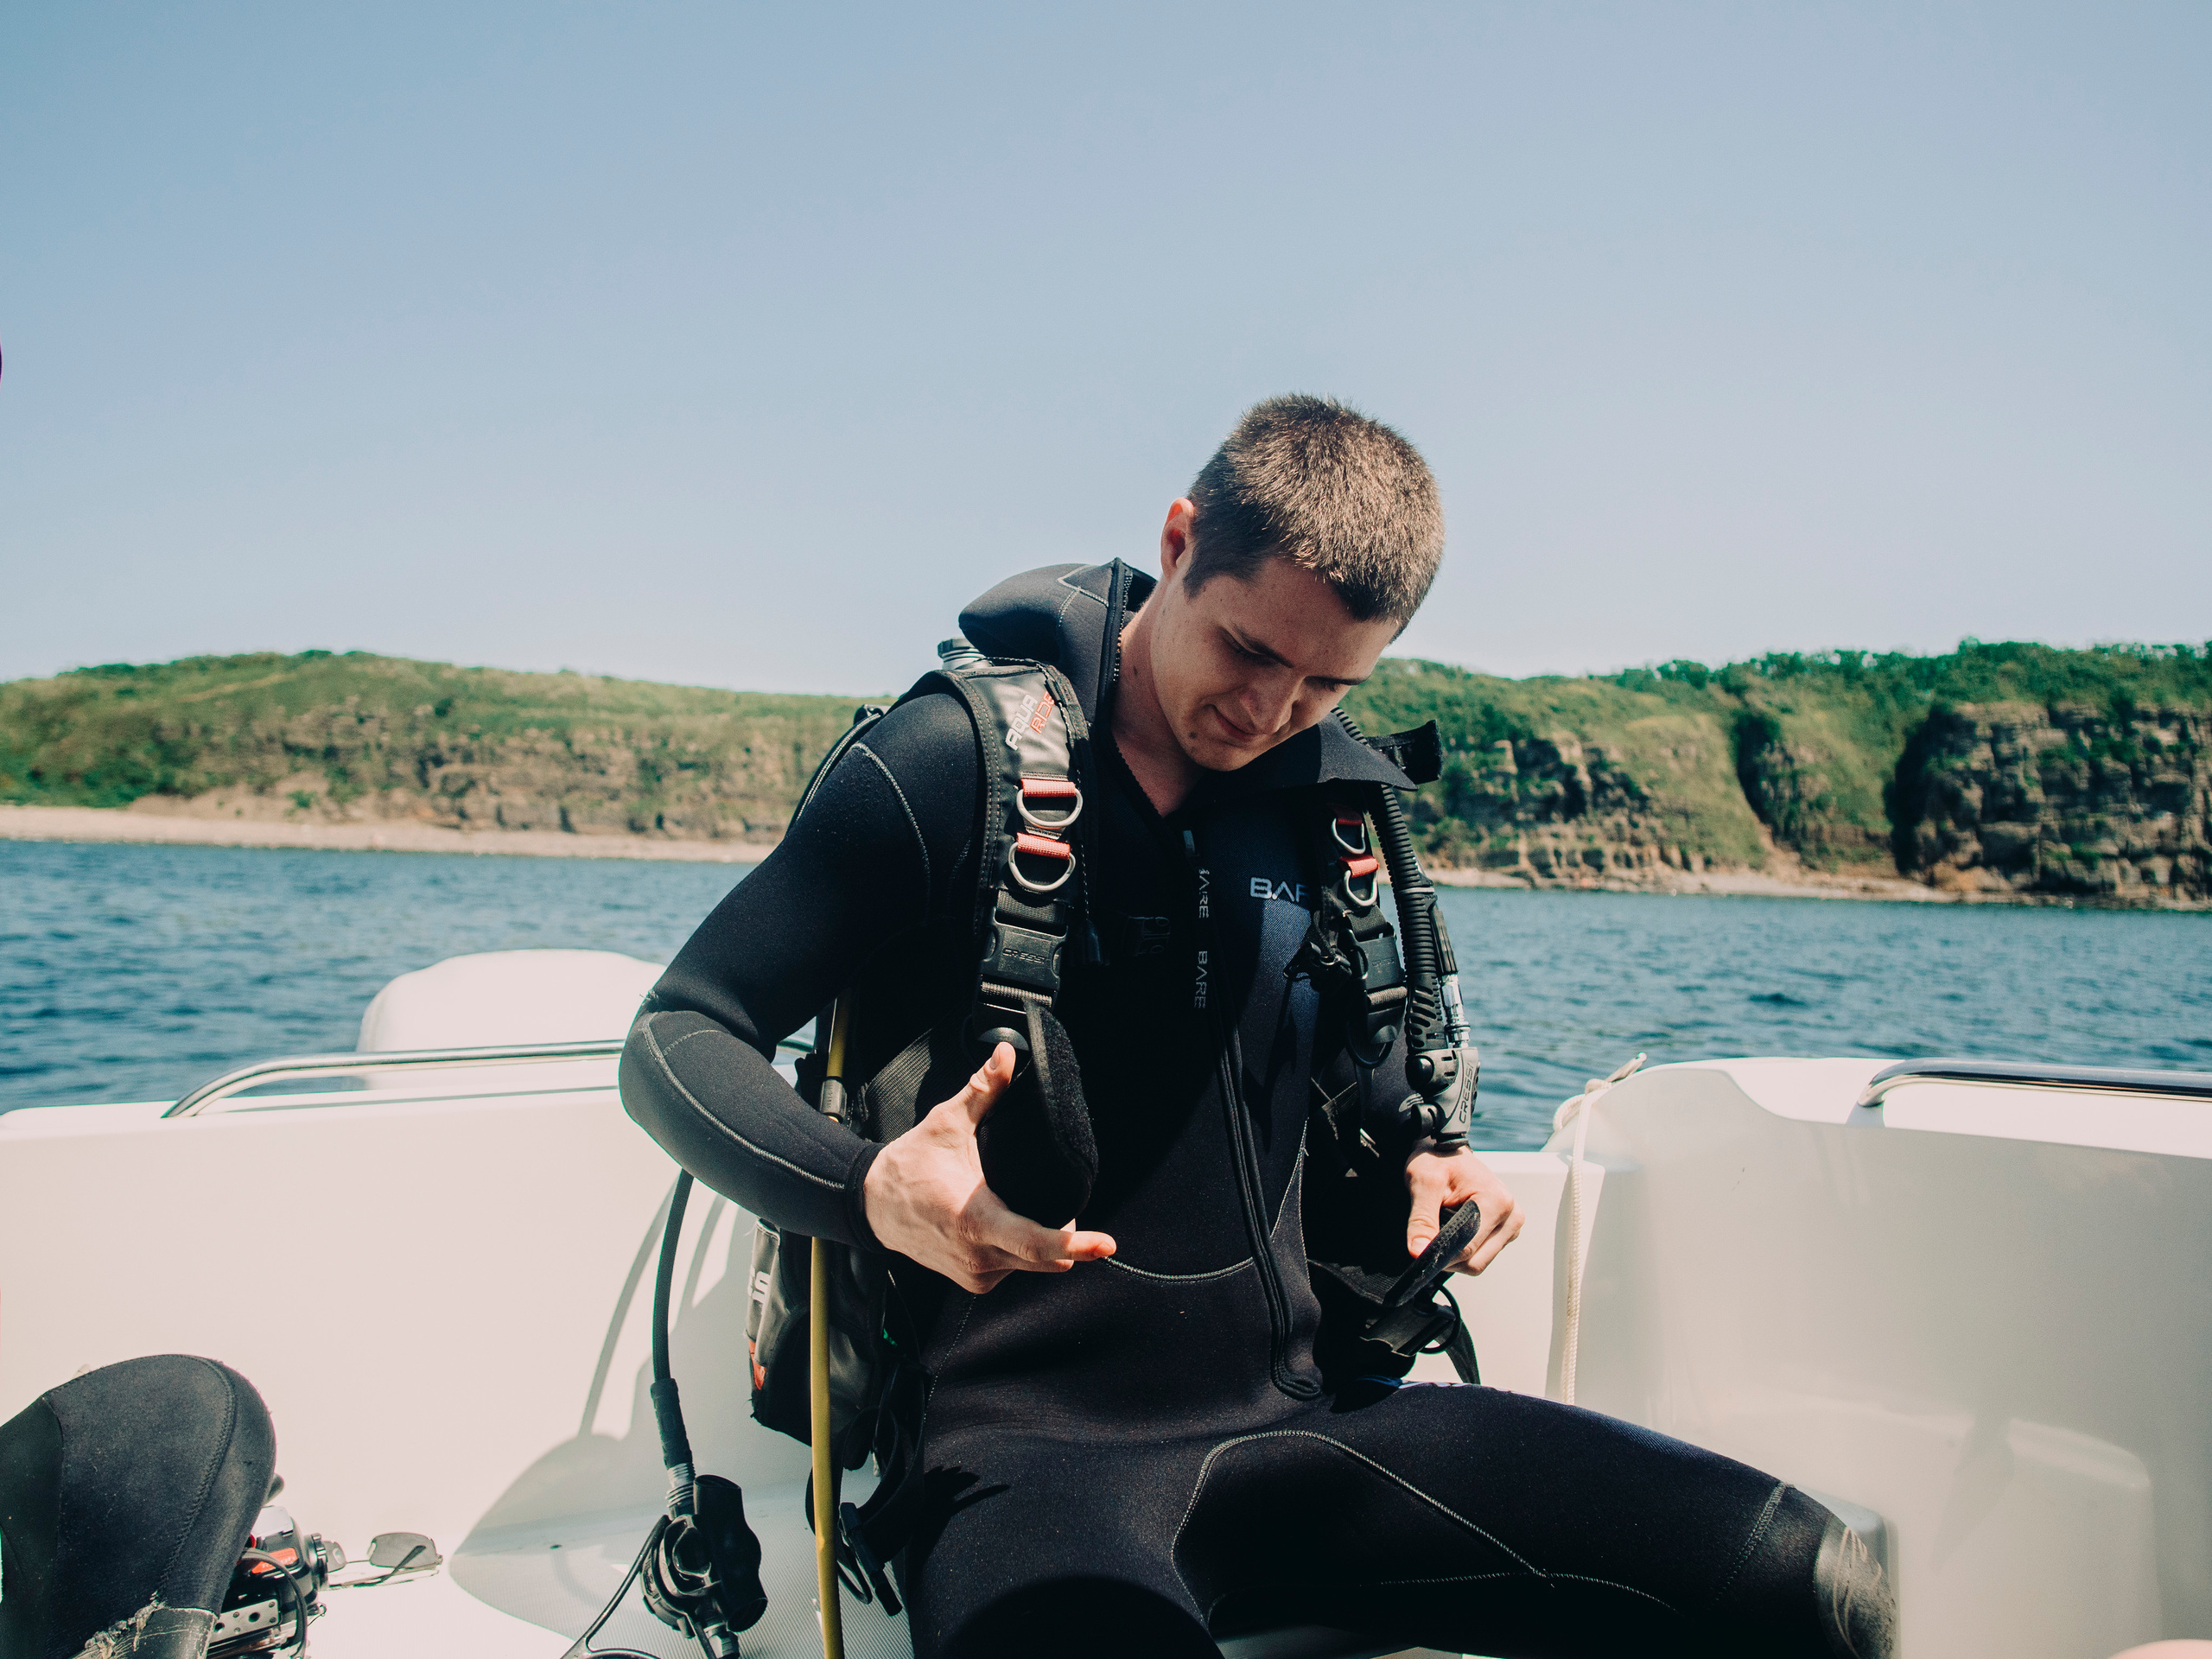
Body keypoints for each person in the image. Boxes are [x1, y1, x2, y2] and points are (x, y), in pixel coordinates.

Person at [621, 395, 1894, 1658]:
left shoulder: (1328, 807)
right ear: (1179, 542)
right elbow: (678, 1035)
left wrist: (1429, 1158)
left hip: (1310, 1419)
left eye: (1329, 682)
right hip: (1019, 1463)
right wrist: (871, 1192)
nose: (1271, 710)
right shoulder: (951, 764)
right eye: (1247, 651)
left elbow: (1351, 1082)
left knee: (1817, 1588)